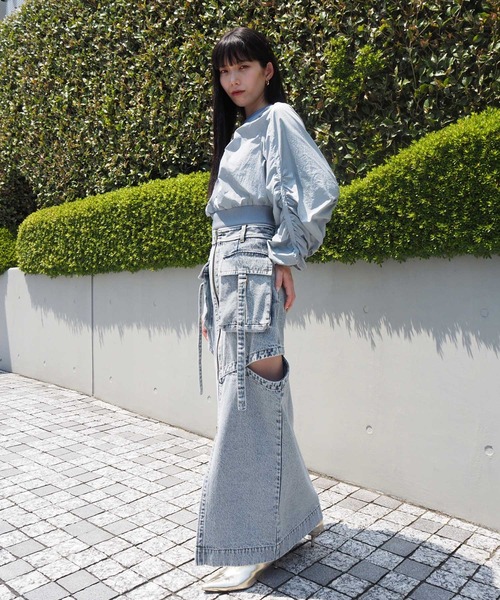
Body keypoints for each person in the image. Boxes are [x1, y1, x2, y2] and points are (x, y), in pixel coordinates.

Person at [196, 26, 339, 592]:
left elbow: (318, 186)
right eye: (225, 71)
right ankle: (300, 514)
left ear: (267, 71)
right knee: (259, 397)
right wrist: (213, 297)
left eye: (243, 68)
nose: (233, 80)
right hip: (227, 269)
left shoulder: (277, 118)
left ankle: (250, 542)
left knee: (248, 401)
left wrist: (285, 253)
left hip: (252, 267)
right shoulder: (240, 132)